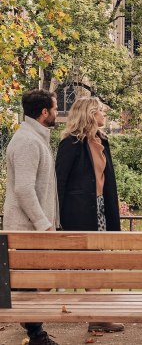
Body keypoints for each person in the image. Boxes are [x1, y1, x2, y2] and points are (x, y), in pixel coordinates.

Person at [55, 97, 123, 333]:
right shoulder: (71, 143)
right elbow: (59, 183)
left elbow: (108, 181)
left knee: (98, 264)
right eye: (101, 111)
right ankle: (97, 317)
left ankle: (98, 316)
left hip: (100, 209)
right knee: (89, 265)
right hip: (78, 213)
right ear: (91, 114)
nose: (104, 115)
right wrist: (57, 221)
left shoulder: (102, 140)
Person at [3, 89, 60, 345]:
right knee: (27, 282)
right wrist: (44, 224)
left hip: (30, 228)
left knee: (26, 284)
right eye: (56, 109)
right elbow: (23, 189)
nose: (58, 113)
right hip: (26, 228)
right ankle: (37, 335)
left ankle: (36, 334)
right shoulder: (27, 141)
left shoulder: (34, 138)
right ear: (44, 112)